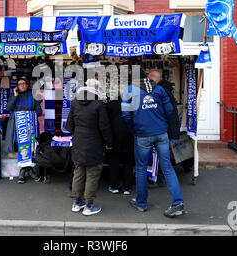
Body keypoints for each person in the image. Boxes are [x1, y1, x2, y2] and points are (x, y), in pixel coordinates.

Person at [122, 75, 185, 218]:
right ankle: (177, 203)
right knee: (167, 167)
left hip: (142, 134)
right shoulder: (159, 89)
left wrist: (134, 129)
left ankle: (141, 203)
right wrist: (162, 124)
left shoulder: (129, 90)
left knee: (141, 169)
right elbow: (169, 110)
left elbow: (125, 115)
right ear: (148, 78)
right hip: (161, 133)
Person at [65, 79, 113, 216]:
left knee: (78, 173)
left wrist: (78, 133)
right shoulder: (99, 104)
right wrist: (109, 143)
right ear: (96, 90)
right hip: (94, 143)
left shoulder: (75, 102)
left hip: (79, 142)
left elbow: (69, 125)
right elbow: (104, 127)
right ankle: (88, 206)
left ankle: (76, 203)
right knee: (92, 174)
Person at [5, 77, 43, 184]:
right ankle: (29, 172)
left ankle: (23, 172)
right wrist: (15, 96)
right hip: (18, 128)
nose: (22, 86)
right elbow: (8, 108)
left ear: (27, 85)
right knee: (22, 148)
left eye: (23, 84)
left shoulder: (33, 95)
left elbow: (39, 111)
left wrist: (29, 115)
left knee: (31, 148)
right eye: (19, 84)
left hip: (30, 126)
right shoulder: (14, 96)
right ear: (17, 86)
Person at [106, 94, 134, 195]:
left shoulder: (111, 104)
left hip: (114, 136)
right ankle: (127, 187)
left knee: (114, 161)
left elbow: (106, 122)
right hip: (129, 136)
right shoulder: (132, 103)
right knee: (128, 162)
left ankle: (114, 186)